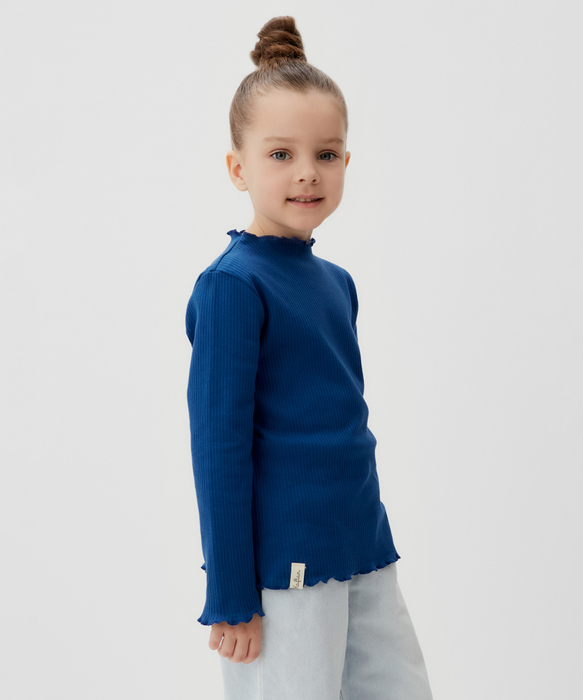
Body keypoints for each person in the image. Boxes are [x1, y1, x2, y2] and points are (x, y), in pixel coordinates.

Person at [185, 15, 434, 700]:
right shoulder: (233, 287)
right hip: (286, 567)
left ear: (347, 163)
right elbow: (219, 449)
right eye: (280, 154)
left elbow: (342, 423)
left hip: (363, 547)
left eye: (326, 154)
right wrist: (231, 589)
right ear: (238, 168)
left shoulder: (337, 283)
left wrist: (370, 538)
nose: (306, 172)